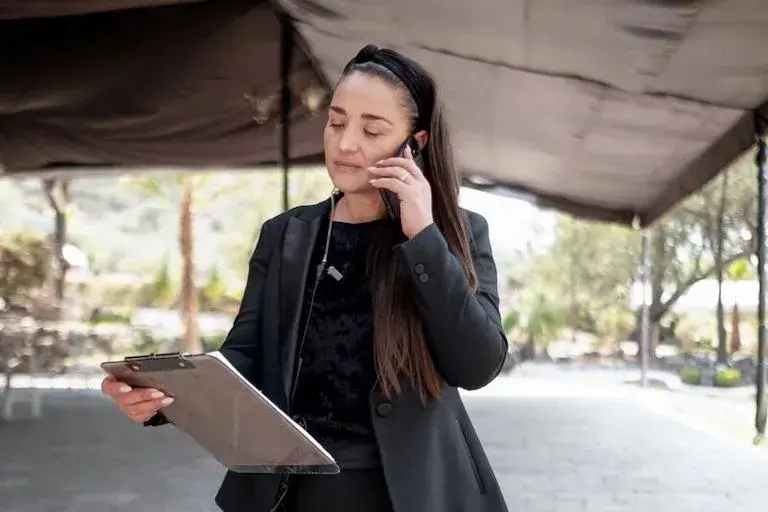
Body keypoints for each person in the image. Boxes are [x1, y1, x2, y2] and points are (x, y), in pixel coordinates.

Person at [101, 43, 510, 512]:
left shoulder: (458, 233)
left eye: (371, 129)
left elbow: (477, 365)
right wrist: (161, 396)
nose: (346, 143)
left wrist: (423, 238)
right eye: (336, 122)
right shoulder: (286, 235)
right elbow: (246, 358)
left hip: (410, 494)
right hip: (295, 493)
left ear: (414, 144)